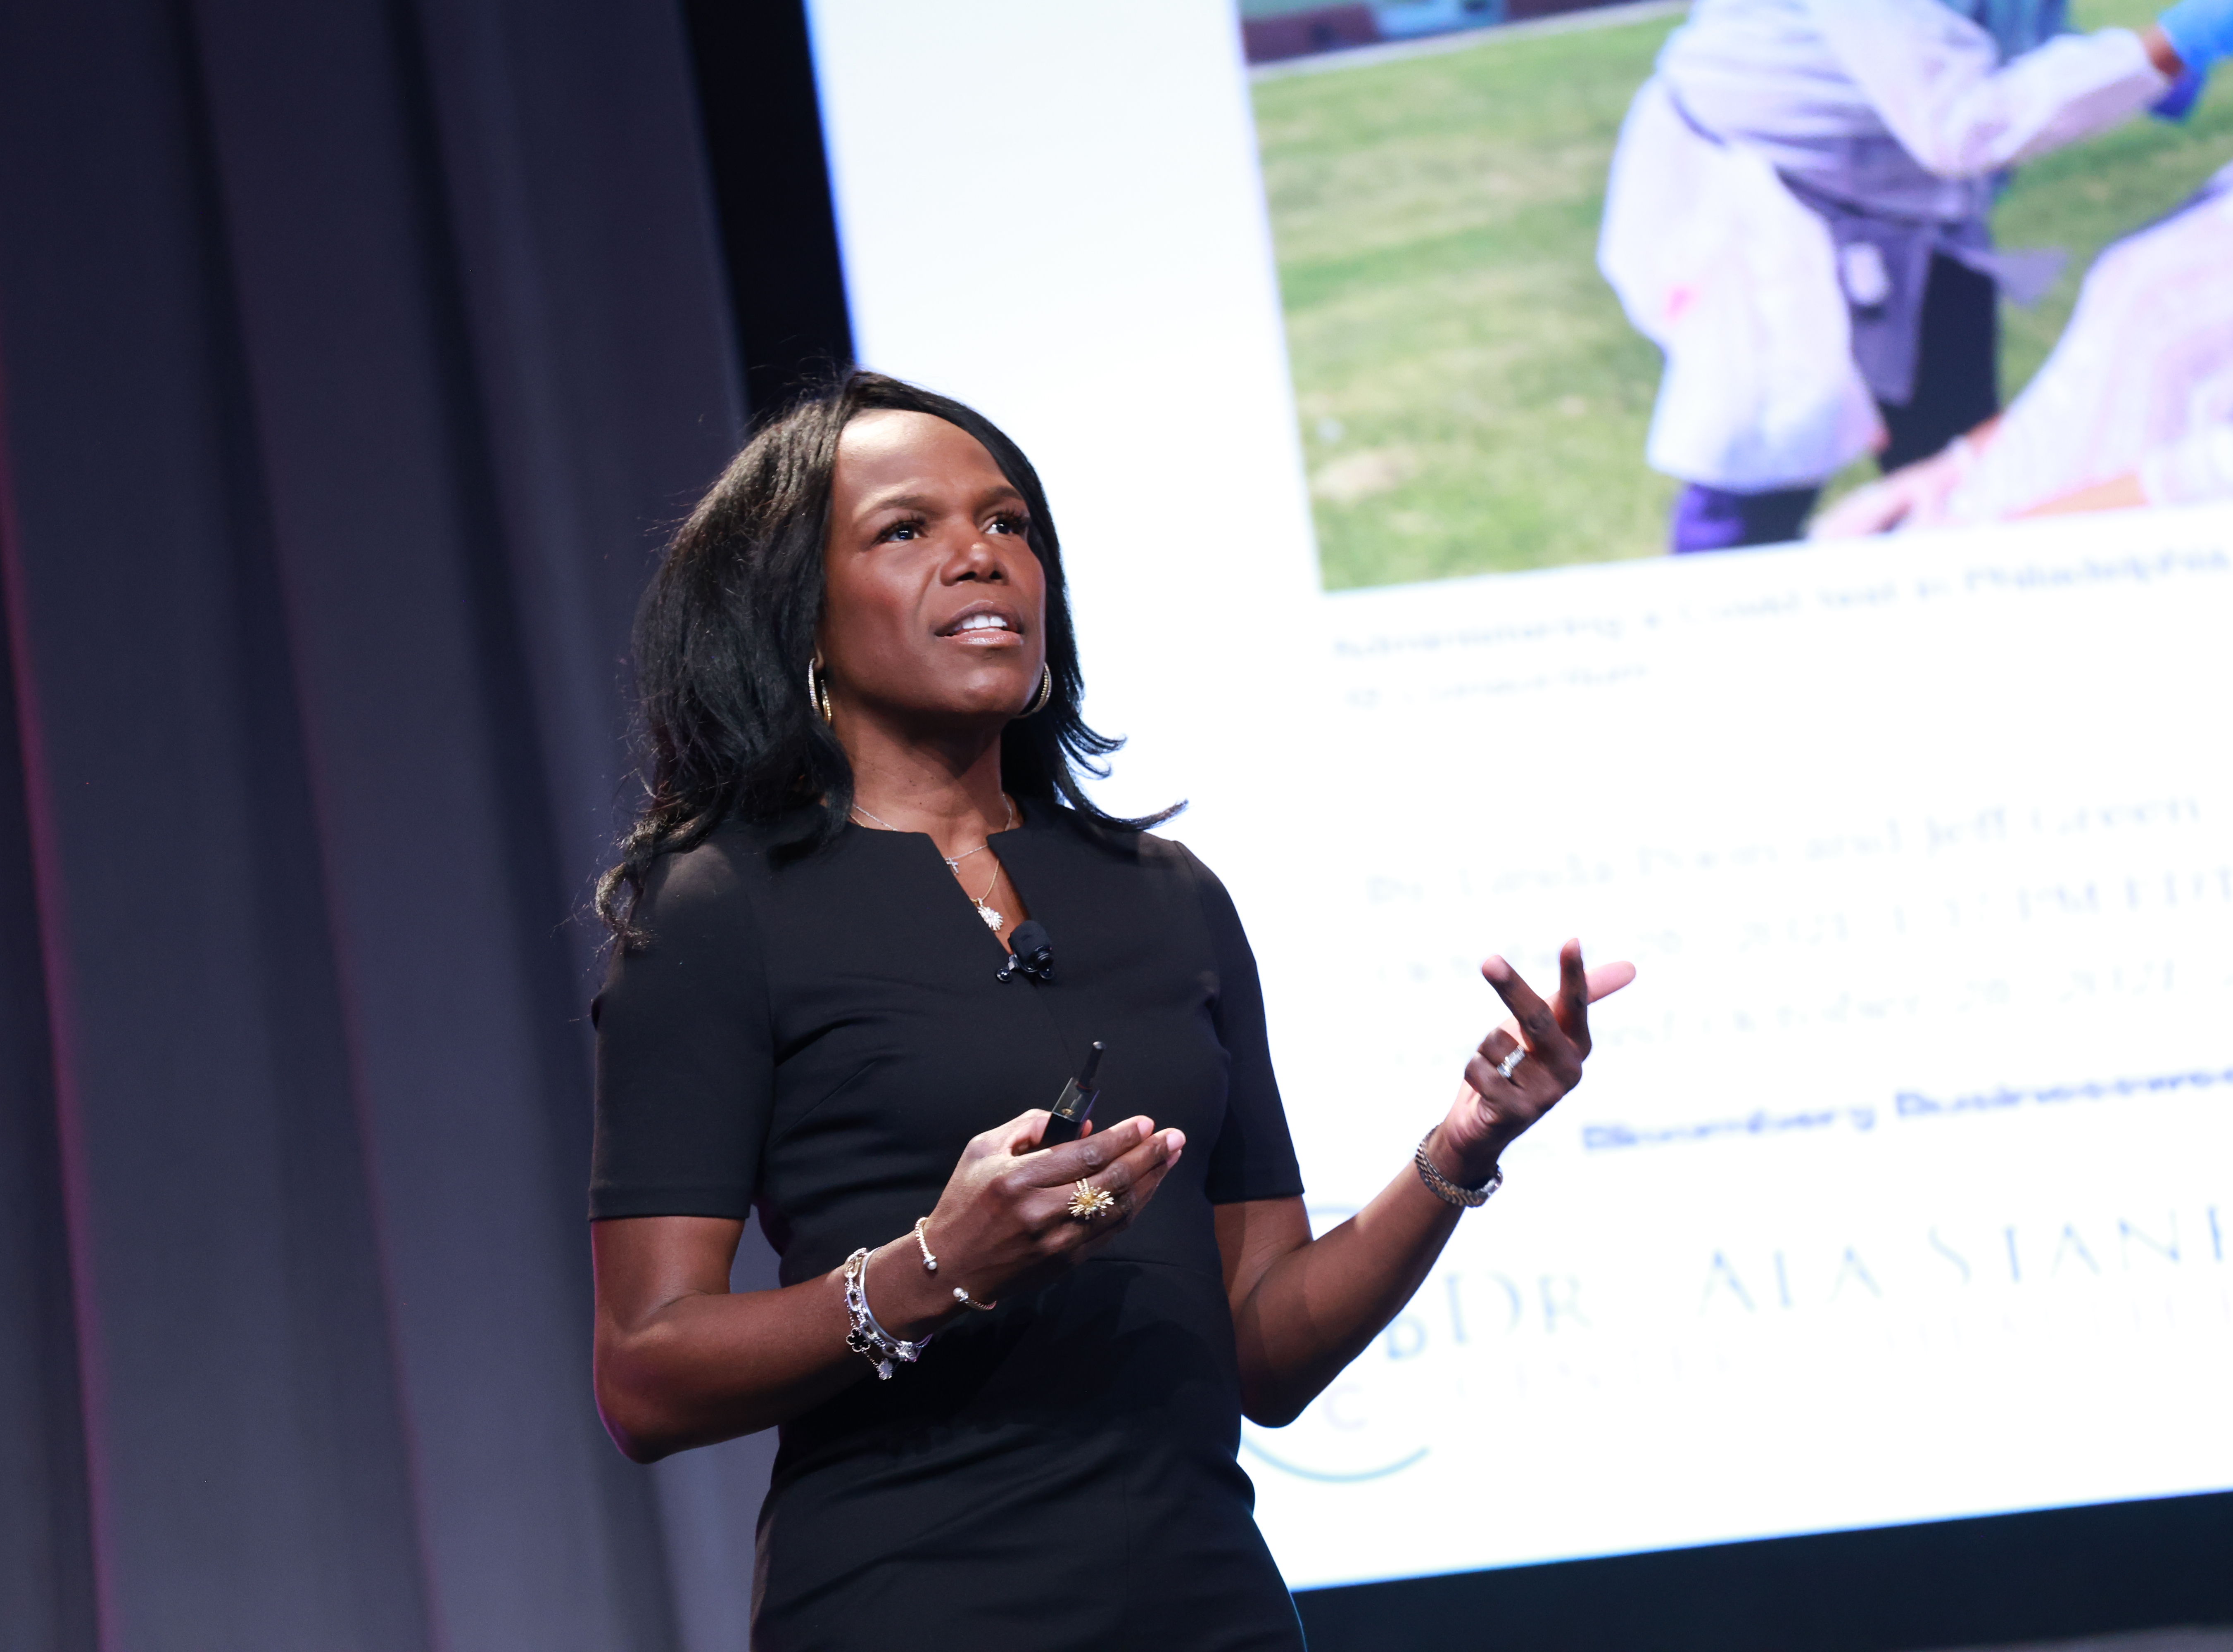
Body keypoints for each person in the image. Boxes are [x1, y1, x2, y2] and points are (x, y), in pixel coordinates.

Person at [586, 371, 1634, 1648]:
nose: (982, 555)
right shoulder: (723, 909)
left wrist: (1460, 1151)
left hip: (1209, 1609)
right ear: (800, 612)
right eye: (906, 529)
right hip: (912, 1608)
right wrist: (935, 1268)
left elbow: (1267, 1354)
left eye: (1009, 523)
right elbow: (645, 1377)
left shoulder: (1168, 896)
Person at [1598, 0, 2233, 553]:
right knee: (1766, 460)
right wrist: (2168, 48)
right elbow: (1958, 123)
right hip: (1767, 206)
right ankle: (1705, 652)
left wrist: (2127, 69)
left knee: (1957, 462)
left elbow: (1989, 34)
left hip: (1907, 202)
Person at [1815, 2, 2233, 532]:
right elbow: (2100, 376)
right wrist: (1950, 469)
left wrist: (1994, 547)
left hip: (2060, 571)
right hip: (1967, 526)